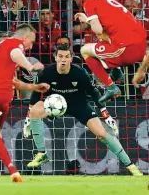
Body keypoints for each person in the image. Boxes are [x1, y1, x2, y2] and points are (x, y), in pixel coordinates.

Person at [13, 43, 142, 176]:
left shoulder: (79, 73)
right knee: (35, 109)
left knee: (102, 134)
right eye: (60, 56)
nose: (63, 59)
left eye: (66, 56)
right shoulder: (46, 73)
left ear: (71, 58)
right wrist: (29, 119)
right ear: (55, 57)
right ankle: (41, 153)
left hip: (78, 105)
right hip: (54, 105)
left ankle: (131, 167)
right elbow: (35, 96)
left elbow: (94, 93)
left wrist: (106, 114)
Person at [0, 23, 50, 182]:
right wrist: (30, 66)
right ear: (25, 36)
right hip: (1, 93)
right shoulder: (14, 44)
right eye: (32, 41)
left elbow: (13, 80)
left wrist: (34, 87)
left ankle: (13, 171)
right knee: (3, 106)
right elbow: (16, 53)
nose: (31, 46)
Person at [75, 0, 147, 102]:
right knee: (104, 36)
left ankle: (110, 86)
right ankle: (116, 70)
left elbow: (97, 29)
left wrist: (87, 19)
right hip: (142, 48)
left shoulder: (89, 2)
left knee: (85, 50)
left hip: (127, 50)